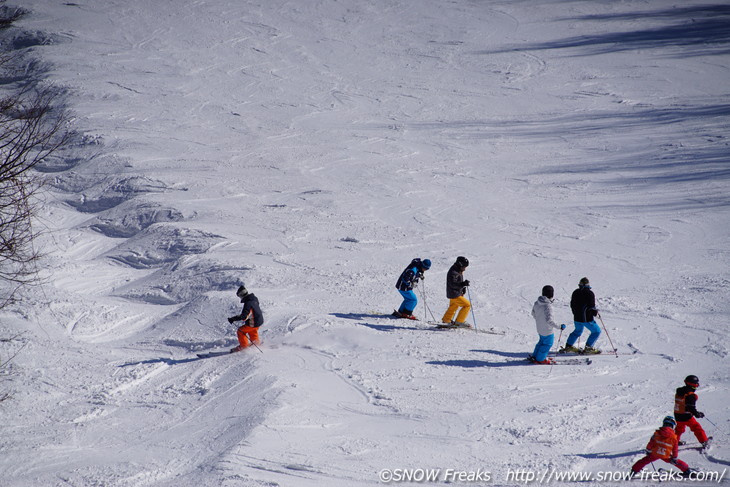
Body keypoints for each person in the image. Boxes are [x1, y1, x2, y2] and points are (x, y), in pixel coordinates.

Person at [562, 277, 601, 354]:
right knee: (596, 331)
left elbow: (572, 305)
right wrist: (596, 314)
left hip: (577, 318)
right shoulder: (590, 293)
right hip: (587, 319)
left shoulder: (575, 292)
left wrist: (575, 313)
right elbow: (591, 307)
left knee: (578, 331)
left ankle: (568, 346)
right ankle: (588, 348)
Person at [529, 285, 566, 365]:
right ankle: (540, 359)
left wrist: (539, 320)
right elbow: (549, 321)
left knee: (541, 342)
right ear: (551, 295)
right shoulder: (548, 306)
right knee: (547, 344)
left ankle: (535, 356)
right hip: (547, 330)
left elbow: (533, 313)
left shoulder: (537, 302)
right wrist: (559, 326)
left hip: (539, 328)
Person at [674, 375, 710, 447]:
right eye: (695, 385)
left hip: (677, 414)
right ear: (692, 385)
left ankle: (674, 442)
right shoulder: (690, 395)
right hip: (686, 416)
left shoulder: (680, 391)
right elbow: (691, 407)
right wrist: (697, 414)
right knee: (696, 427)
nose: (696, 387)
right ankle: (704, 441)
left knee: (679, 429)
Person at [227, 285, 264, 352]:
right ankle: (256, 343)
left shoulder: (248, 303)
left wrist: (233, 319)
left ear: (241, 295)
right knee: (252, 330)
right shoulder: (254, 298)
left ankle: (244, 347)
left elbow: (244, 316)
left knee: (241, 331)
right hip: (259, 320)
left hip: (254, 322)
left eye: (239, 296)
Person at [441, 256, 471, 326]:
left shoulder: (457, 270)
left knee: (453, 306)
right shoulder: (453, 272)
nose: (465, 269)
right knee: (467, 305)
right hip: (454, 294)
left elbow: (457, 282)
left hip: (454, 293)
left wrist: (462, 287)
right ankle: (459, 321)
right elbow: (453, 284)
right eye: (464, 266)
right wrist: (462, 284)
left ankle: (446, 319)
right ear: (460, 264)